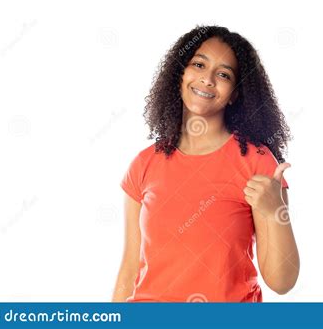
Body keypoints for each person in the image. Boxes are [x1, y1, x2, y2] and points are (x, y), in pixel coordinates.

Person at [112, 25, 300, 302]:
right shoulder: (144, 164)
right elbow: (129, 269)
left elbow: (282, 282)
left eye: (223, 74)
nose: (208, 79)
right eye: (198, 65)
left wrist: (274, 211)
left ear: (235, 93)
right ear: (180, 75)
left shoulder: (258, 164)